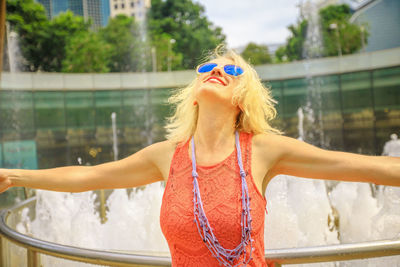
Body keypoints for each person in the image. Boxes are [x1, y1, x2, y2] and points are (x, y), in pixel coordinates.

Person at [0, 45, 399, 267]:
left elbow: (363, 167)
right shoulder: (166, 156)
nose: (217, 71)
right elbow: (89, 177)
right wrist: (14, 177)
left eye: (233, 71)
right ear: (193, 92)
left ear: (243, 99)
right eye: (208, 66)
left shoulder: (261, 150)